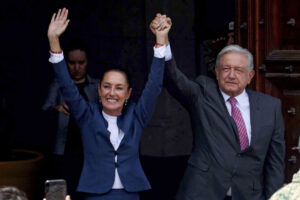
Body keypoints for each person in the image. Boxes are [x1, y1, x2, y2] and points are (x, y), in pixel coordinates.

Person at [150, 14, 285, 200]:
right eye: (226, 69)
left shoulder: (271, 107)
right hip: (201, 193)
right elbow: (173, 78)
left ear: (250, 76)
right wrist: (162, 39)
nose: (231, 75)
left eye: (238, 70)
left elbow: (275, 164)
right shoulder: (203, 92)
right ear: (216, 72)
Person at [46, 8, 170, 200]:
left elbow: (154, 86)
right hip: (96, 193)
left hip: (130, 194)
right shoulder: (87, 115)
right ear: (99, 90)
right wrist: (54, 41)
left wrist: (160, 41)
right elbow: (66, 84)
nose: (112, 93)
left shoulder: (136, 116)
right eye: (107, 86)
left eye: (119, 88)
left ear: (128, 93)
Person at [42, 36, 99, 200]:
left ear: (87, 62)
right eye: (72, 63)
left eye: (81, 63)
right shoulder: (58, 85)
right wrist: (56, 109)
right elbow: (43, 112)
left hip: (90, 151)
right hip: (64, 149)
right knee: (63, 191)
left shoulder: (96, 86)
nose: (76, 68)